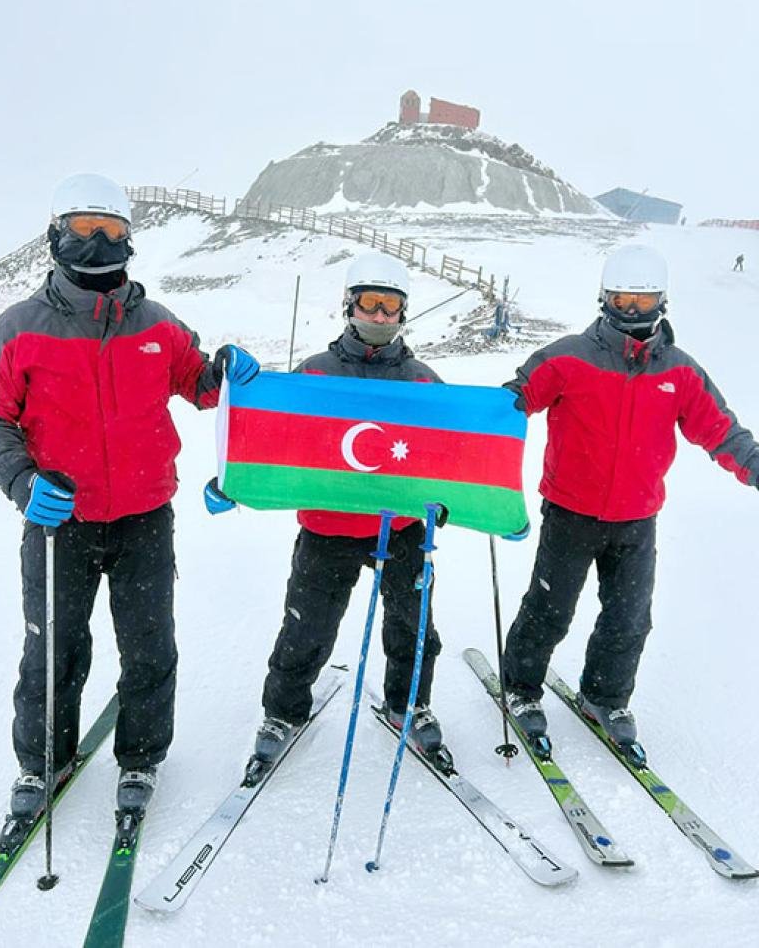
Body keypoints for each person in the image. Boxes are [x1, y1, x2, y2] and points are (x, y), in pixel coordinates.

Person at [0, 173, 259, 824]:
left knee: (150, 643)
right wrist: (22, 480)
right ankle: (43, 761)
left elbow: (202, 385)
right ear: (55, 235)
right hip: (57, 521)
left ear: (131, 239)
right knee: (54, 646)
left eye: (113, 231)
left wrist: (228, 370)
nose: (98, 244)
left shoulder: (156, 324)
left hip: (144, 517)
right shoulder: (18, 329)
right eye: (83, 230)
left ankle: (142, 757)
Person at [500, 244, 759, 760]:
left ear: (662, 301)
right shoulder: (569, 357)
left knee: (629, 617)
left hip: (637, 519)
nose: (632, 311)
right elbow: (511, 403)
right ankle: (521, 686)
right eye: (623, 298)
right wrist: (464, 435)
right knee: (550, 609)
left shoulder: (680, 372)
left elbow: (720, 429)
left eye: (644, 300)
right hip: (571, 512)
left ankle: (605, 695)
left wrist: (753, 465)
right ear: (604, 298)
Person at [205, 252, 449, 766]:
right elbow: (279, 442)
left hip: (400, 528)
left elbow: (447, 456)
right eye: (370, 303)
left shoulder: (424, 381)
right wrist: (236, 480)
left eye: (391, 306)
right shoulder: (315, 372)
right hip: (327, 527)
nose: (379, 316)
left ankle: (410, 704)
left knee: (413, 623)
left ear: (404, 313)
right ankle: (285, 710)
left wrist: (453, 501)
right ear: (349, 305)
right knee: (306, 624)